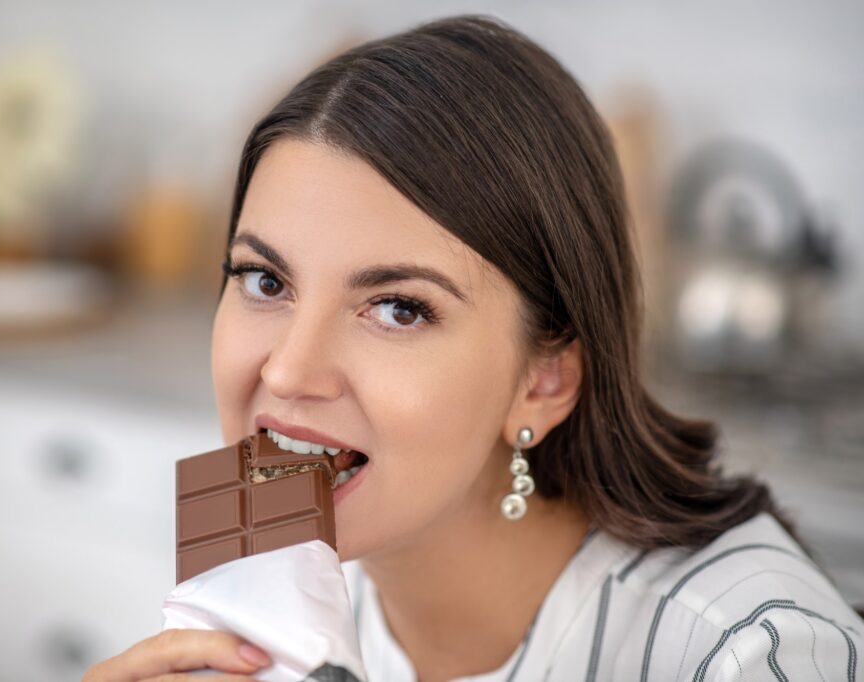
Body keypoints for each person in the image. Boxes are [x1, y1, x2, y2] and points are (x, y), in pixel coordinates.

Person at [84, 15, 863, 682]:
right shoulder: (263, 571)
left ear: (546, 380)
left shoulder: (752, 653)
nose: (287, 370)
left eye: (396, 308)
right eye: (263, 280)